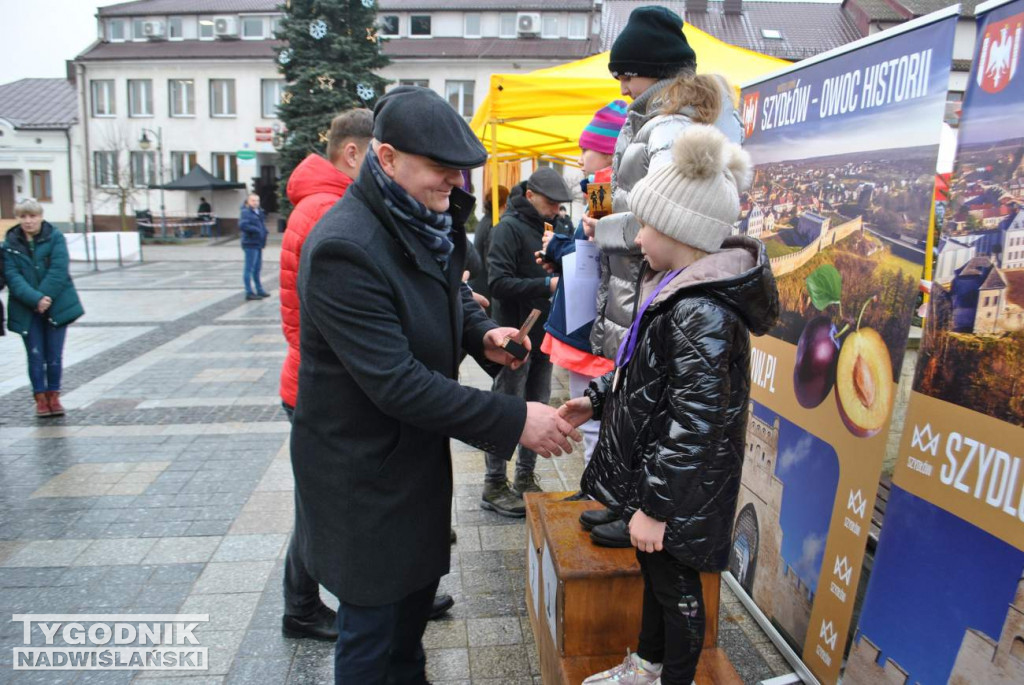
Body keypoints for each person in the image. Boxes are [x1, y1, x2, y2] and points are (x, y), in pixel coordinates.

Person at [289, 86, 580, 684]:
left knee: (410, 631)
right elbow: (396, 383)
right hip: (362, 476)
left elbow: (447, 295)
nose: (452, 186)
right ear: (387, 158)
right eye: (441, 172)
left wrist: (482, 336)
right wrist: (514, 420)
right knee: (373, 641)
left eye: (458, 175)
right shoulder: (346, 246)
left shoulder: (428, 220)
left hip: (413, 464)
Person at [559, 125, 778, 685]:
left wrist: (656, 507)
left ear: (680, 231)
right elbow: (647, 380)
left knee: (676, 588)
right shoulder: (675, 291)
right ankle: (647, 667)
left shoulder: (698, 310)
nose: (637, 239)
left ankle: (671, 675)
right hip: (669, 483)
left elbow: (694, 424)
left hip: (681, 491)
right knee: (656, 577)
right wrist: (598, 401)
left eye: (647, 225)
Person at [582, 5, 743, 547]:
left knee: (651, 402)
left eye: (626, 74)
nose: (622, 86)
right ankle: (625, 501)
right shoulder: (655, 120)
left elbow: (661, 213)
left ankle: (637, 507)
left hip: (648, 281)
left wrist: (603, 229)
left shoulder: (667, 126)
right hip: (640, 279)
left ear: (653, 70)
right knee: (637, 397)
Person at [540, 101, 627, 480]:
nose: (579, 158)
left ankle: (594, 494)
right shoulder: (610, 186)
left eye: (584, 149)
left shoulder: (603, 188)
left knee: (591, 422)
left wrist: (557, 249)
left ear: (607, 151)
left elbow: (595, 251)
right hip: (601, 323)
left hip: (590, 329)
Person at [482, 167, 572, 517]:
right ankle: (494, 483)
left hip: (547, 335)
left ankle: (525, 477)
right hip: (514, 337)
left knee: (541, 406)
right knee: (507, 408)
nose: (557, 211)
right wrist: (545, 286)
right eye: (551, 204)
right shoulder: (507, 228)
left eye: (560, 205)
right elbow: (498, 283)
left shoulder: (555, 227)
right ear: (530, 196)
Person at [2, 198, 85, 418]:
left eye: (33, 216)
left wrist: (45, 297)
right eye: (23, 216)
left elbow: (59, 269)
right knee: (35, 354)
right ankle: (40, 398)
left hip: (56, 305)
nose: (28, 221)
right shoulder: (9, 244)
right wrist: (35, 299)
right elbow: (12, 276)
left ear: (40, 216)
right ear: (18, 218)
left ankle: (54, 396)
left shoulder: (55, 237)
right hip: (26, 308)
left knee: (54, 355)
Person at [467, 184, 509, 313]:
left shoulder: (484, 221)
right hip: (486, 286)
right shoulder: (493, 224)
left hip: (479, 281)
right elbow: (491, 259)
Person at [240, 193, 269, 301]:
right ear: (248, 201)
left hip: (258, 243)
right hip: (250, 243)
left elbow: (261, 224)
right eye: (253, 200)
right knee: (249, 268)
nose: (255, 203)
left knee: (257, 268)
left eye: (257, 200)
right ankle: (249, 292)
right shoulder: (246, 212)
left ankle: (259, 289)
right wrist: (257, 231)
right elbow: (243, 225)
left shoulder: (258, 212)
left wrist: (264, 232)